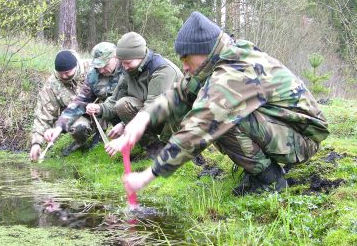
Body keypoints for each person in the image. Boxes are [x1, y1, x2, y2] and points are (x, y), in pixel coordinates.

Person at [105, 12, 330, 196]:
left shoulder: (234, 72)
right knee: (213, 112)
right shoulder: (219, 58)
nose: (183, 66)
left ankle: (270, 181)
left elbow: (199, 127)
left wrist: (148, 175)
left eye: (185, 59)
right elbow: (179, 94)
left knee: (218, 121)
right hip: (279, 127)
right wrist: (141, 119)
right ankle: (258, 169)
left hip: (302, 138)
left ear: (204, 52)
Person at [87, 32, 183, 150]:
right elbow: (115, 99)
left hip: (180, 120)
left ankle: (172, 148)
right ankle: (153, 148)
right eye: (122, 63)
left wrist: (125, 128)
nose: (125, 67)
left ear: (141, 56)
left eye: (128, 63)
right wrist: (99, 108)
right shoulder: (130, 70)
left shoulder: (162, 70)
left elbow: (153, 109)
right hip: (155, 116)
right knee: (122, 105)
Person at [43, 42, 124, 152]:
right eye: (98, 66)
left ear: (115, 57)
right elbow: (79, 102)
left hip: (132, 114)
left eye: (104, 65)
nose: (101, 70)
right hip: (108, 114)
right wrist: (58, 128)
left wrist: (124, 124)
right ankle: (96, 141)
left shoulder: (128, 68)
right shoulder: (93, 75)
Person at [30, 50, 92, 161]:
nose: (64, 76)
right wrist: (36, 143)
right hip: (76, 118)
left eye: (68, 72)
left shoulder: (92, 68)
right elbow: (44, 114)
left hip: (101, 109)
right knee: (78, 129)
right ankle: (83, 147)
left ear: (76, 66)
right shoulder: (52, 84)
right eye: (60, 73)